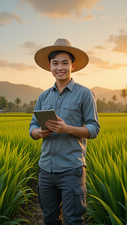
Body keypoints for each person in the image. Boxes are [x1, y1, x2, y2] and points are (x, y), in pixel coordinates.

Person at [29, 38, 100, 224]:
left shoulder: (84, 94)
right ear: (50, 66)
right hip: (45, 169)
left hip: (71, 170)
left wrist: (66, 128)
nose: (60, 67)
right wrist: (38, 133)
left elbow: (94, 128)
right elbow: (32, 126)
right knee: (49, 218)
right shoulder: (43, 96)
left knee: (73, 220)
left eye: (65, 63)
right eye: (55, 63)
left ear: (73, 66)